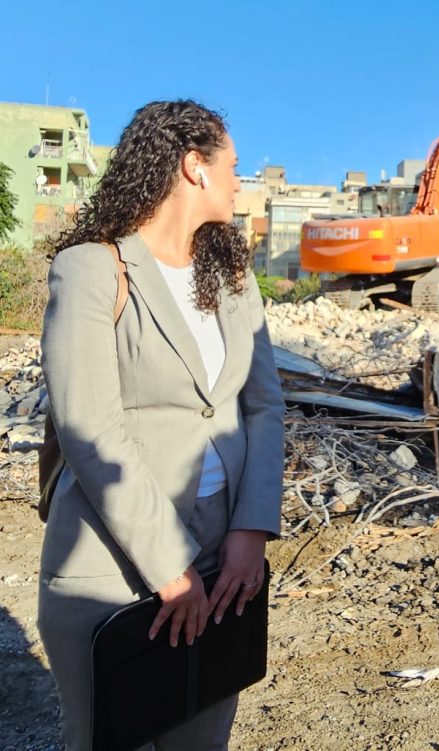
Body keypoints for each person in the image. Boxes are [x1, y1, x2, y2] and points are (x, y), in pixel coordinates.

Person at [38, 99, 284, 750]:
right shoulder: (91, 268)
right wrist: (171, 568)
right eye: (233, 167)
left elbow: (264, 406)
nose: (240, 182)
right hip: (111, 563)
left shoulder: (233, 278)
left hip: (223, 557)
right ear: (193, 166)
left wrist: (251, 528)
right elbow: (90, 427)